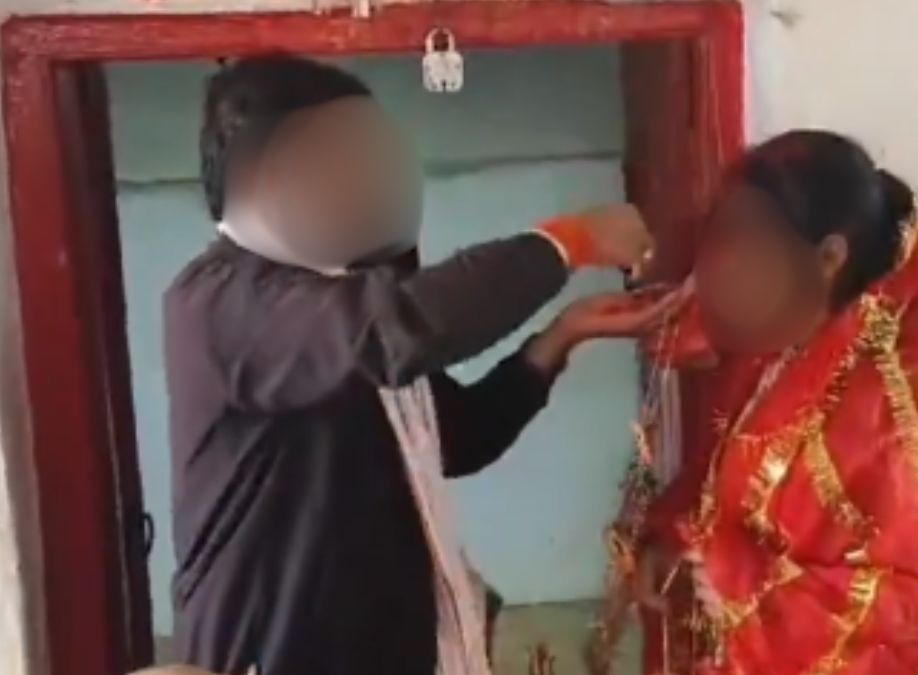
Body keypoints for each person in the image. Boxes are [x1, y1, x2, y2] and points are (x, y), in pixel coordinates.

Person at [167, 56, 679, 675]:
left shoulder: (339, 296)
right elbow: (403, 326)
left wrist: (564, 334)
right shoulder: (226, 300)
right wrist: (569, 241)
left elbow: (457, 437)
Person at [635, 130, 918, 674]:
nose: (724, 268)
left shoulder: (902, 411)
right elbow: (717, 487)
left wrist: (738, 586)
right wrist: (669, 542)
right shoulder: (769, 357)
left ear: (829, 257)